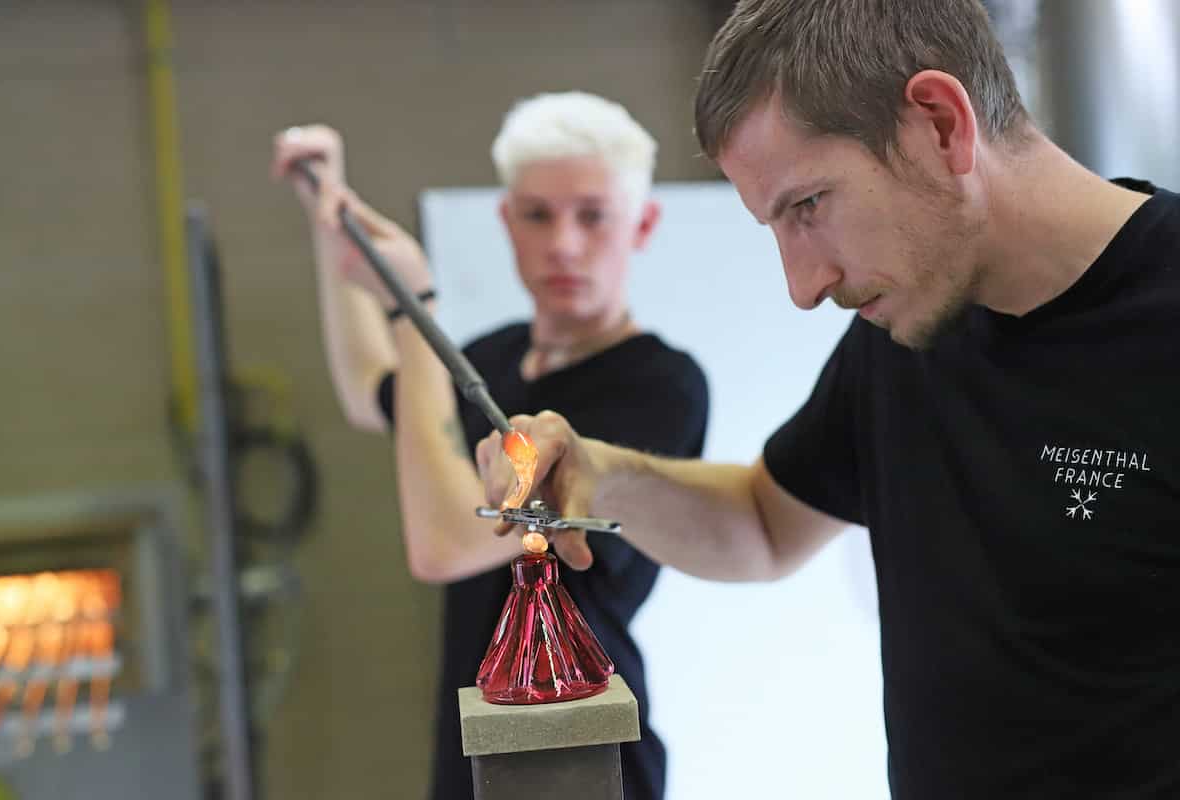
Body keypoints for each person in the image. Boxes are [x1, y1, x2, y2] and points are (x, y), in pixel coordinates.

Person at [474, 2, 1180, 798]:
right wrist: (600, 474)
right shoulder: (911, 327)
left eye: (808, 206)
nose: (803, 288)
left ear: (941, 125)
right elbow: (764, 523)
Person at [272, 92, 708, 800]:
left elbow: (445, 544)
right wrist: (331, 218)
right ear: (508, 222)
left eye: (592, 214)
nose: (564, 243)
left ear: (643, 223)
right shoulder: (494, 357)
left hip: (579, 757)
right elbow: (369, 390)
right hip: (478, 743)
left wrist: (416, 311)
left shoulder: (659, 387)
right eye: (538, 214)